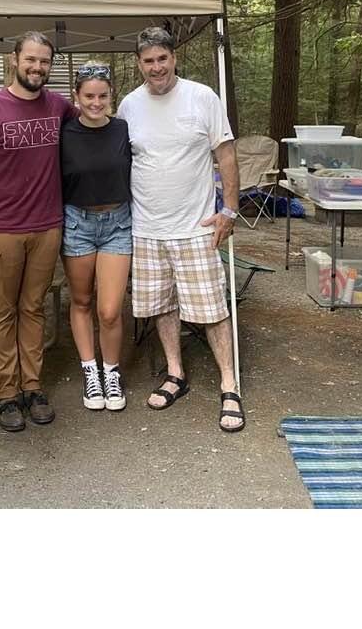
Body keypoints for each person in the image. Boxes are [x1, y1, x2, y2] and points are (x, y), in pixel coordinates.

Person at [117, 26, 245, 433]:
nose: (156, 67)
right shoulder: (129, 105)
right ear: (139, 63)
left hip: (196, 226)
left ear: (174, 58)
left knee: (212, 309)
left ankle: (229, 384)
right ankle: (175, 373)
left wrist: (229, 210)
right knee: (162, 306)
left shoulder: (202, 97)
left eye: (162, 58)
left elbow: (226, 155)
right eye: (148, 61)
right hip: (147, 227)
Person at [0, 31, 78, 432]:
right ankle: (6, 393)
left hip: (47, 226)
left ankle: (32, 386)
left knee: (33, 308)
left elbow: (91, 124)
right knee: (2, 311)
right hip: (2, 230)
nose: (37, 67)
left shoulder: (59, 107)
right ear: (14, 59)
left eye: (44, 61)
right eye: (30, 59)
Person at [60, 63, 132, 412]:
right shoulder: (65, 133)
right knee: (82, 301)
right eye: (89, 95)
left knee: (110, 310)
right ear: (76, 96)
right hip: (77, 223)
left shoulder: (122, 130)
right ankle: (90, 370)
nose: (95, 102)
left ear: (111, 96)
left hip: (118, 223)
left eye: (102, 95)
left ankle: (111, 371)